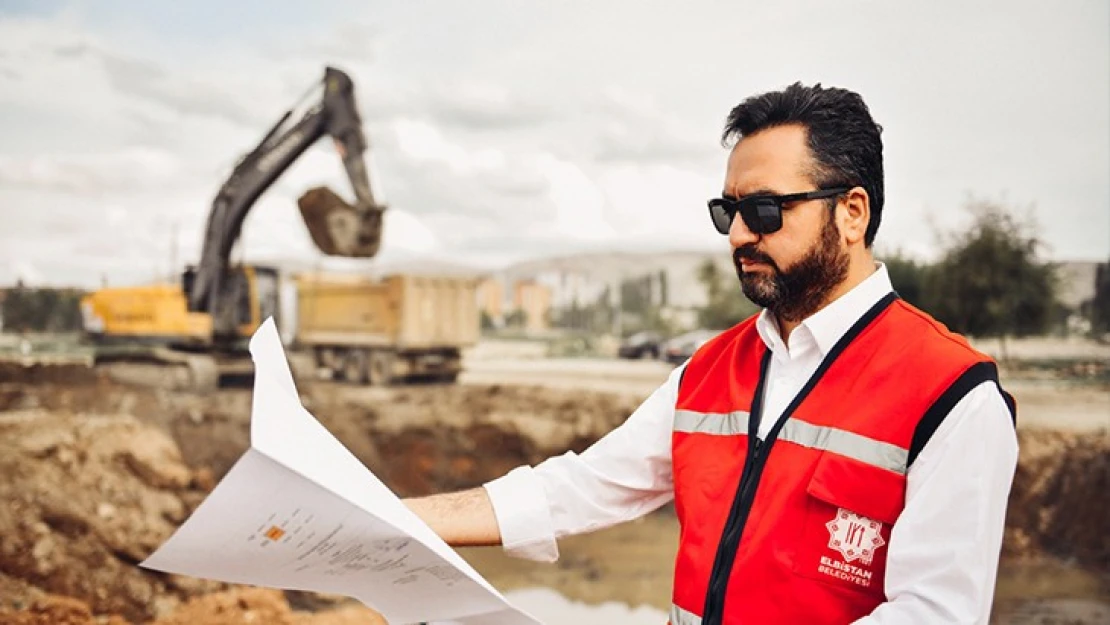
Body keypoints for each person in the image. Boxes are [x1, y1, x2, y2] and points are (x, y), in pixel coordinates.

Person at [406, 82, 1018, 624]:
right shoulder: (708, 371)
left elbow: (934, 611)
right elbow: (580, 487)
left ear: (852, 213)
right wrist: (393, 518)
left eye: (765, 210)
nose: (738, 235)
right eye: (729, 211)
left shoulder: (951, 394)